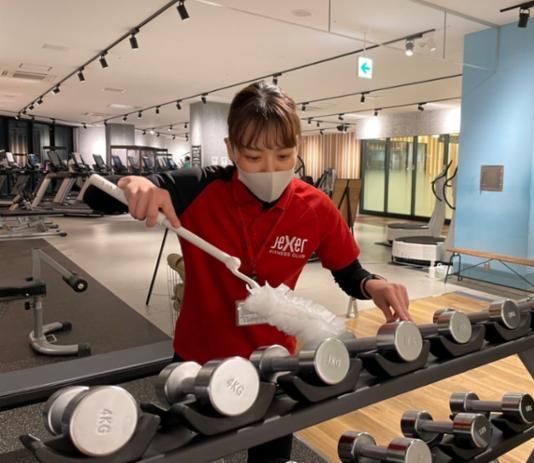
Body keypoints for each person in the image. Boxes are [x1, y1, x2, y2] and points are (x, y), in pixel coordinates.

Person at [85, 81, 412, 463]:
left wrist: (372, 284)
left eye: (284, 156)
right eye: (254, 157)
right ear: (232, 149)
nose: (270, 170)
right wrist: (134, 184)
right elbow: (97, 198)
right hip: (197, 360)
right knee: (192, 455)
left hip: (273, 362)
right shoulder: (198, 188)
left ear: (297, 148)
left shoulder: (316, 207)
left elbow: (348, 271)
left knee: (271, 458)